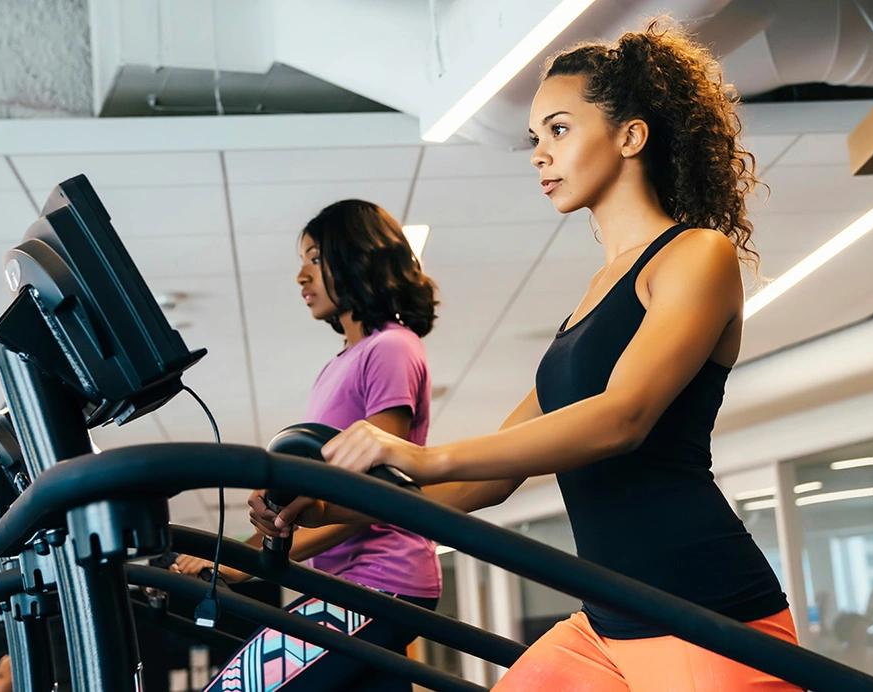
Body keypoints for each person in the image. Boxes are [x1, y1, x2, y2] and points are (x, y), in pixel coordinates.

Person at [254, 20, 799, 691]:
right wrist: (331, 509)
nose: (540, 154)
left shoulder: (695, 256)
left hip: (706, 612)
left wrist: (422, 455)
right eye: (535, 138)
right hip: (607, 621)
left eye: (560, 130)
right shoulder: (589, 304)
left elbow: (621, 418)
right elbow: (490, 478)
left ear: (630, 135)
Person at [176, 199, 442, 691]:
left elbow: (373, 492)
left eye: (316, 258)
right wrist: (249, 546)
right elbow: (321, 494)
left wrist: (244, 561)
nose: (302, 275)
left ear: (359, 256)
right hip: (348, 580)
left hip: (378, 580)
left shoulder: (391, 347)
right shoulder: (345, 359)